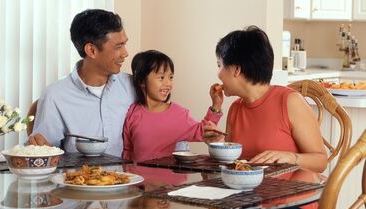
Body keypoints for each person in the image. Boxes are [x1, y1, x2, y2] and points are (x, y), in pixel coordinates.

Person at [214, 26, 327, 173]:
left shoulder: (290, 102)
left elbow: (321, 162)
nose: (218, 74)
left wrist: (291, 158)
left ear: (236, 69)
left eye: (220, 65)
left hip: (291, 193)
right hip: (247, 194)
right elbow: (233, 164)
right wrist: (216, 143)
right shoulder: (235, 109)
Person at [27, 9, 135, 157]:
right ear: (91, 50)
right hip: (78, 178)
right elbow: (43, 153)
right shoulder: (55, 96)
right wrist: (37, 148)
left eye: (125, 44)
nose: (125, 53)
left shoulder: (133, 87)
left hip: (129, 178)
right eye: (118, 46)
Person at [122, 50, 224, 162]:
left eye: (170, 77)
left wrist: (216, 105)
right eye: (161, 77)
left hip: (169, 178)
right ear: (142, 81)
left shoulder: (178, 114)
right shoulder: (133, 112)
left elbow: (204, 131)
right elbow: (127, 151)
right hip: (139, 178)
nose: (168, 83)